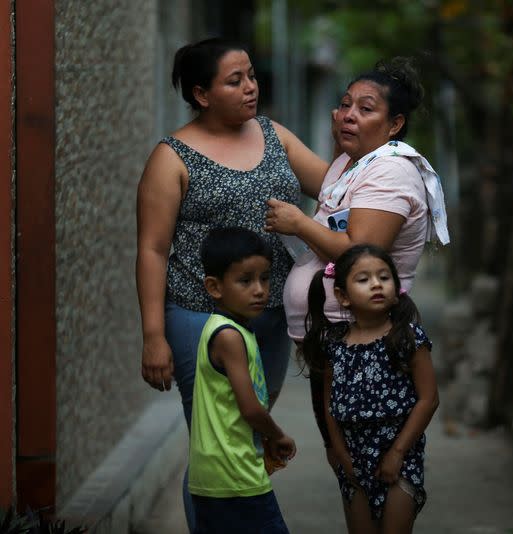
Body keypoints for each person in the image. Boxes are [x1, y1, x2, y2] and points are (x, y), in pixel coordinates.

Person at [135, 37, 327, 530]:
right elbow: (153, 251)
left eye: (252, 77)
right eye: (234, 80)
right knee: (214, 439)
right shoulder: (171, 157)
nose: (250, 88)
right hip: (200, 317)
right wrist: (153, 335)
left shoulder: (273, 134)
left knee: (246, 432)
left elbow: (335, 188)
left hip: (272, 311)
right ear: (201, 94)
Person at [264, 56, 449, 456]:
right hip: (334, 336)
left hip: (360, 338)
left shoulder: (392, 171)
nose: (349, 115)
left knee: (366, 461)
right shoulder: (354, 163)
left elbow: (361, 255)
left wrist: (298, 223)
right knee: (345, 459)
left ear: (395, 124)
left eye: (365, 109)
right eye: (345, 105)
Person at [303, 244, 438, 533]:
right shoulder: (334, 344)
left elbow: (429, 399)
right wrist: (342, 456)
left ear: (396, 286)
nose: (376, 284)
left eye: (384, 277)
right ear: (342, 296)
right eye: (363, 280)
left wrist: (398, 452)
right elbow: (330, 405)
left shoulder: (407, 337)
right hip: (353, 460)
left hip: (400, 454)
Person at [189, 227, 295, 534]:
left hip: (220, 474)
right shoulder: (230, 337)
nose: (260, 290)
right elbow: (250, 409)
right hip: (234, 475)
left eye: (265, 278)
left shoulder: (230, 330)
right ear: (214, 286)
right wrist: (277, 436)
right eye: (245, 280)